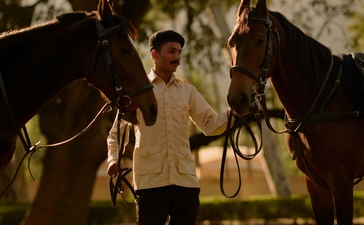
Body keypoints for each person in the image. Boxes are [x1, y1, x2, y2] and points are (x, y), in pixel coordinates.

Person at [107, 30, 230, 225]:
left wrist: (235, 112)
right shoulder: (137, 89)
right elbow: (116, 133)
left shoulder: (187, 90)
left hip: (186, 181)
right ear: (154, 54)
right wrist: (113, 159)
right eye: (172, 51)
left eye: (179, 52)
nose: (177, 57)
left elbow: (209, 125)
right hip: (151, 182)